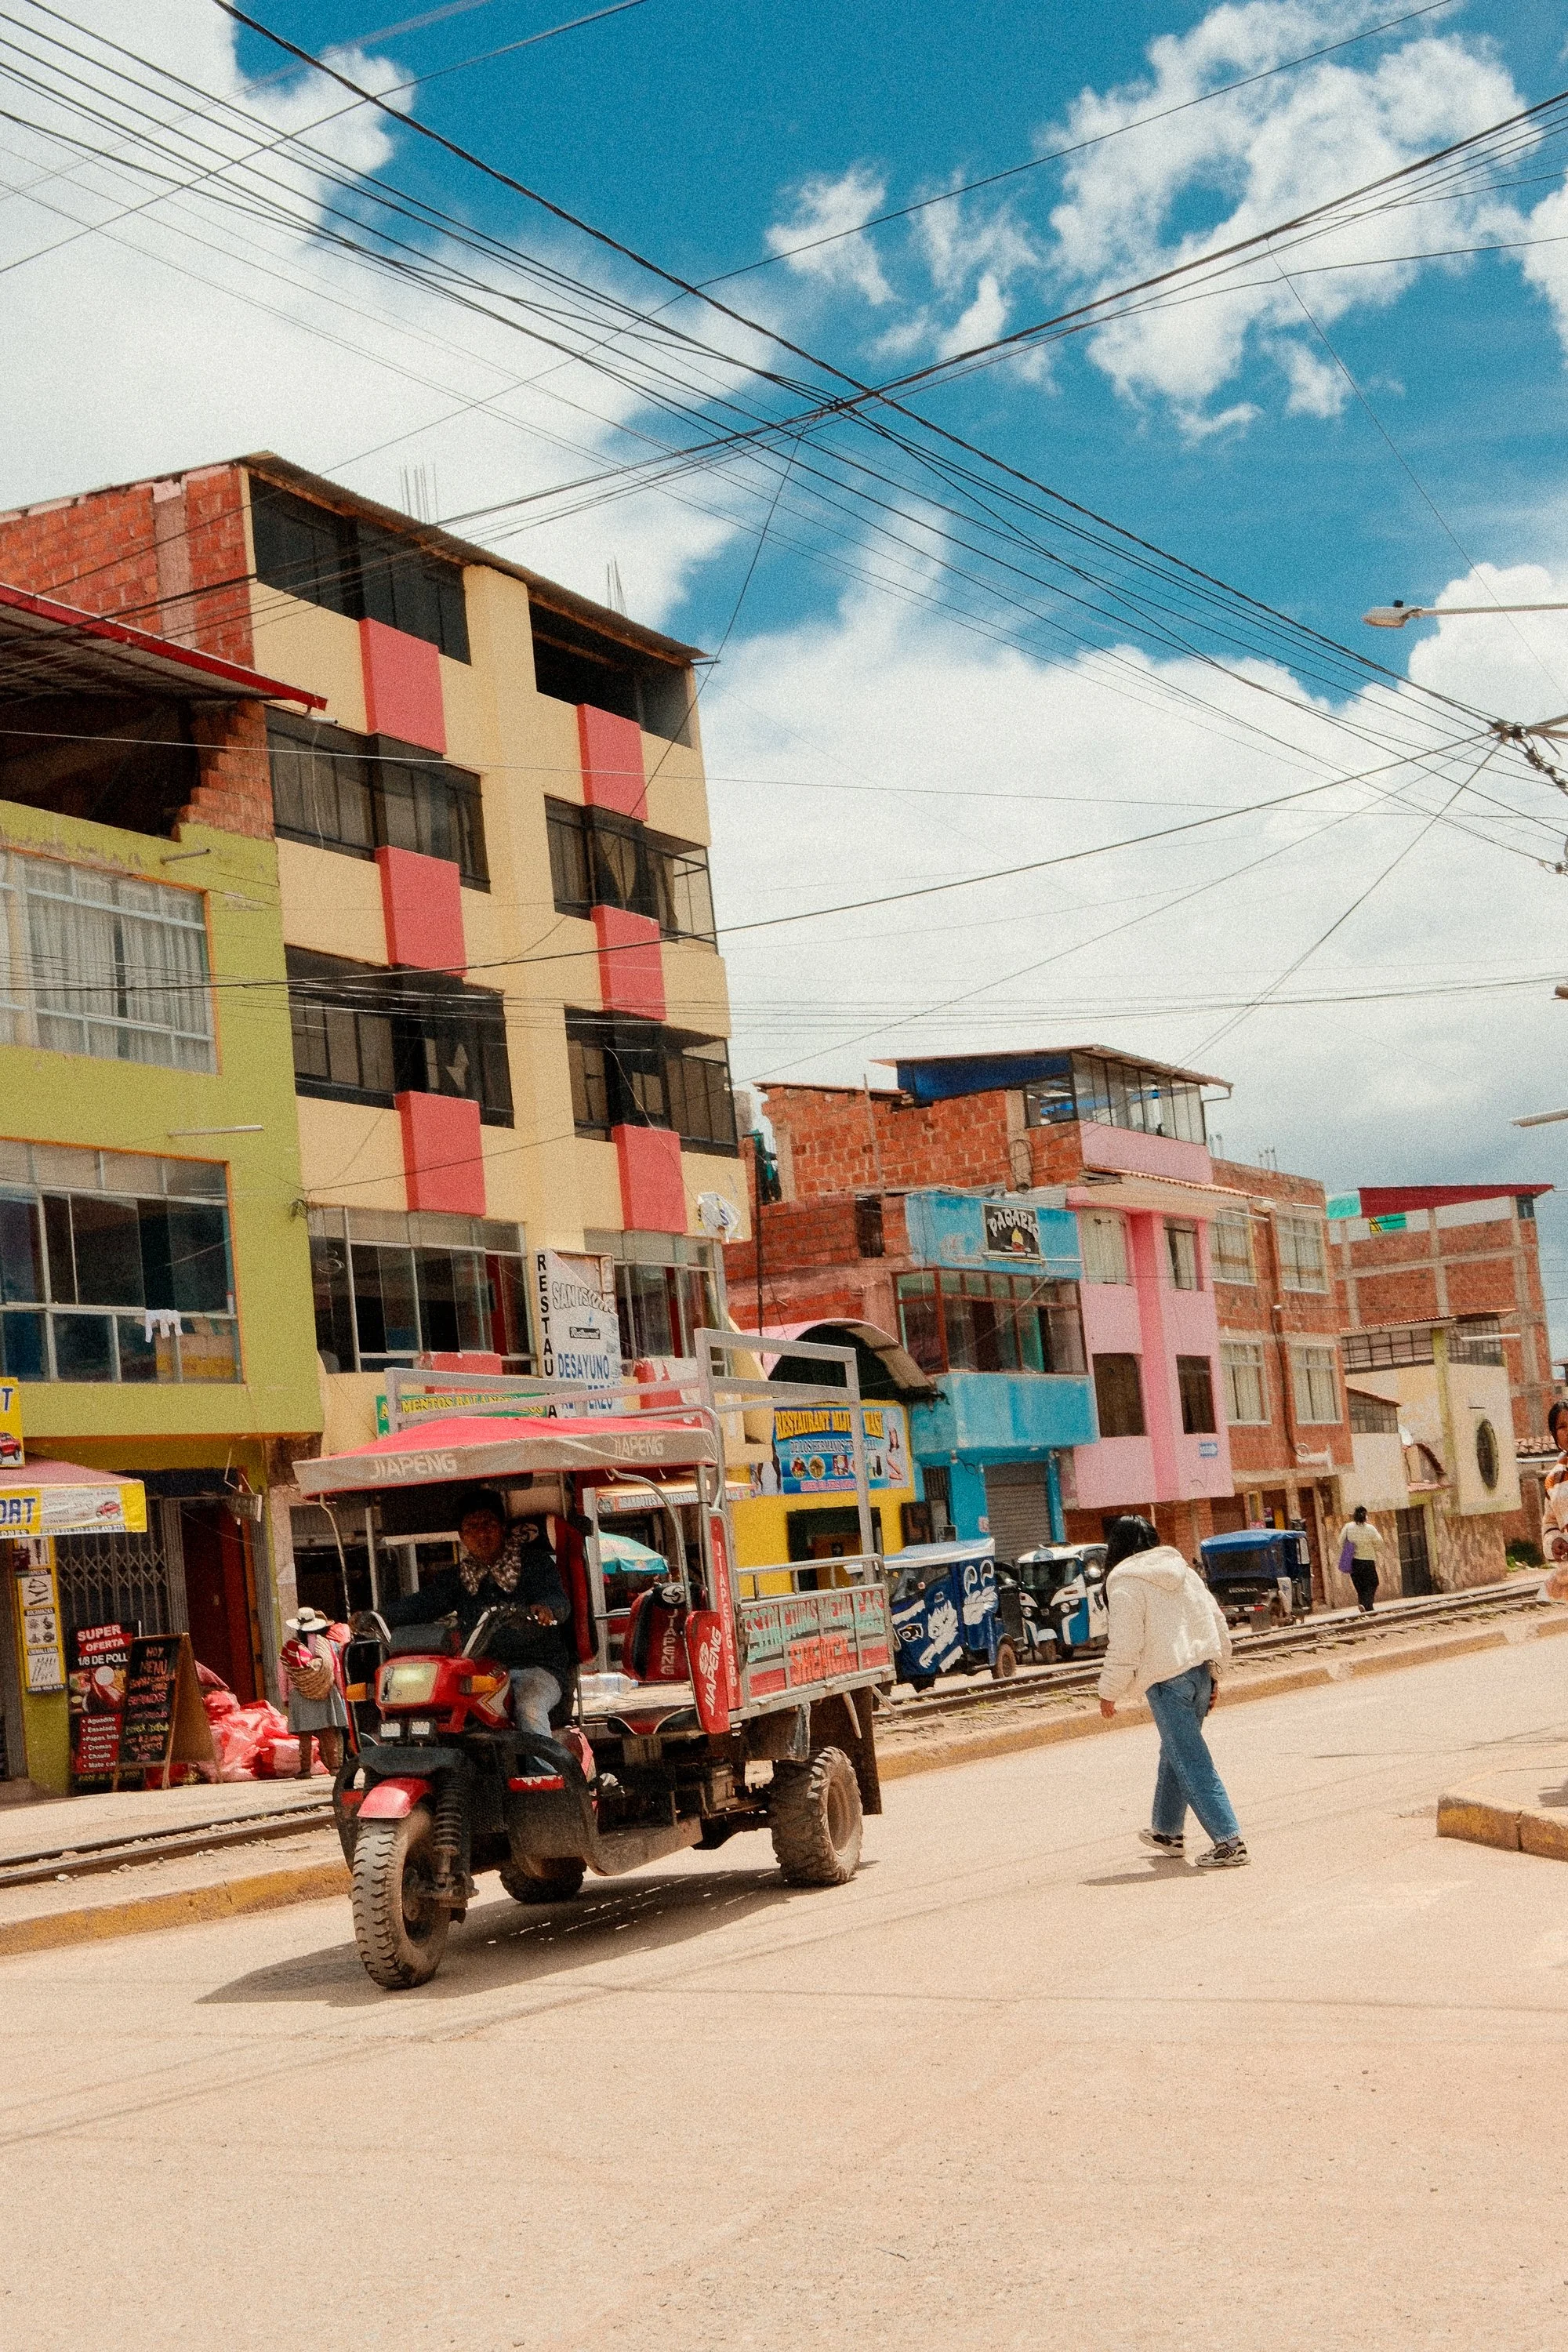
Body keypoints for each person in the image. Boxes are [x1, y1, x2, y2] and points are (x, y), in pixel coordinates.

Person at [1097, 1515, 1247, 1870]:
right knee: (1177, 1751)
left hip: (1167, 1682)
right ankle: (1167, 1831)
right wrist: (1216, 1673)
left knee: (1189, 1759)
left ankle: (1229, 1842)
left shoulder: (1124, 1581)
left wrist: (1109, 1692)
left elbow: (1125, 1646)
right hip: (1199, 1674)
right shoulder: (1183, 1569)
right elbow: (1216, 1620)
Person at [379, 1490, 572, 1737]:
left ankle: (544, 1774)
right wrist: (380, 1616)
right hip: (479, 1671)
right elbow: (423, 1604)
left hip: (536, 1669)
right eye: (472, 1527)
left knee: (529, 1709)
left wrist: (544, 1610)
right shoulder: (457, 1577)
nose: (481, 1533)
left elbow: (557, 1601)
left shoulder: (536, 1565)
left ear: (503, 1528)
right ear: (462, 1536)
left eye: (488, 1524)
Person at [280, 1606, 349, 1779]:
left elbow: (282, 1674)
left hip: (299, 1693)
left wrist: (285, 1696)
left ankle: (305, 1770)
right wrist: (341, 1691)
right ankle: (334, 1767)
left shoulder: (290, 1647)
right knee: (328, 1732)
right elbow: (336, 1669)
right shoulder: (325, 1645)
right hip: (326, 1691)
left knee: (304, 1735)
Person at [1336, 1505, 1385, 1613]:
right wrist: (1371, 1547)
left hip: (1353, 1561)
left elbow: (1340, 1542)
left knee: (1360, 1585)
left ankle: (1364, 1605)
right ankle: (1368, 1605)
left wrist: (1349, 1548)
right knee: (1373, 1583)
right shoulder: (1370, 1529)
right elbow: (1379, 1542)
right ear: (1366, 1516)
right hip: (1368, 1561)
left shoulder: (1348, 1527)